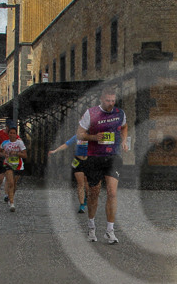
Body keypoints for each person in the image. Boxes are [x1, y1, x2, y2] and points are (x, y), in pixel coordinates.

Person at [77, 84, 129, 243]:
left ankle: (110, 231)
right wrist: (94, 138)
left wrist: (124, 141)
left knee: (112, 193)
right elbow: (80, 134)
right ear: (101, 99)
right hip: (94, 157)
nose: (111, 103)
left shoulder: (120, 113)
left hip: (113, 156)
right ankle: (91, 227)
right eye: (108, 100)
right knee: (94, 194)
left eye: (113, 100)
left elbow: (125, 127)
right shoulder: (91, 113)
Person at [48, 134, 89, 213]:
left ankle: (86, 198)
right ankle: (82, 205)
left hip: (88, 161)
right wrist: (55, 151)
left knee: (87, 185)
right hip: (78, 161)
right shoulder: (77, 136)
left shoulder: (92, 136)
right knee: (80, 184)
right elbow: (66, 145)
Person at [1, 126, 26, 211]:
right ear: (8, 134)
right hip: (8, 164)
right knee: (10, 183)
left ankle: (10, 196)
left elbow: (25, 155)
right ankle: (12, 203)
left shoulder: (20, 143)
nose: (12, 135)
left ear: (16, 135)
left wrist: (16, 153)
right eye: (10, 133)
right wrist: (5, 154)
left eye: (14, 133)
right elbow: (0, 152)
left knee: (14, 184)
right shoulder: (5, 143)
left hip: (18, 165)